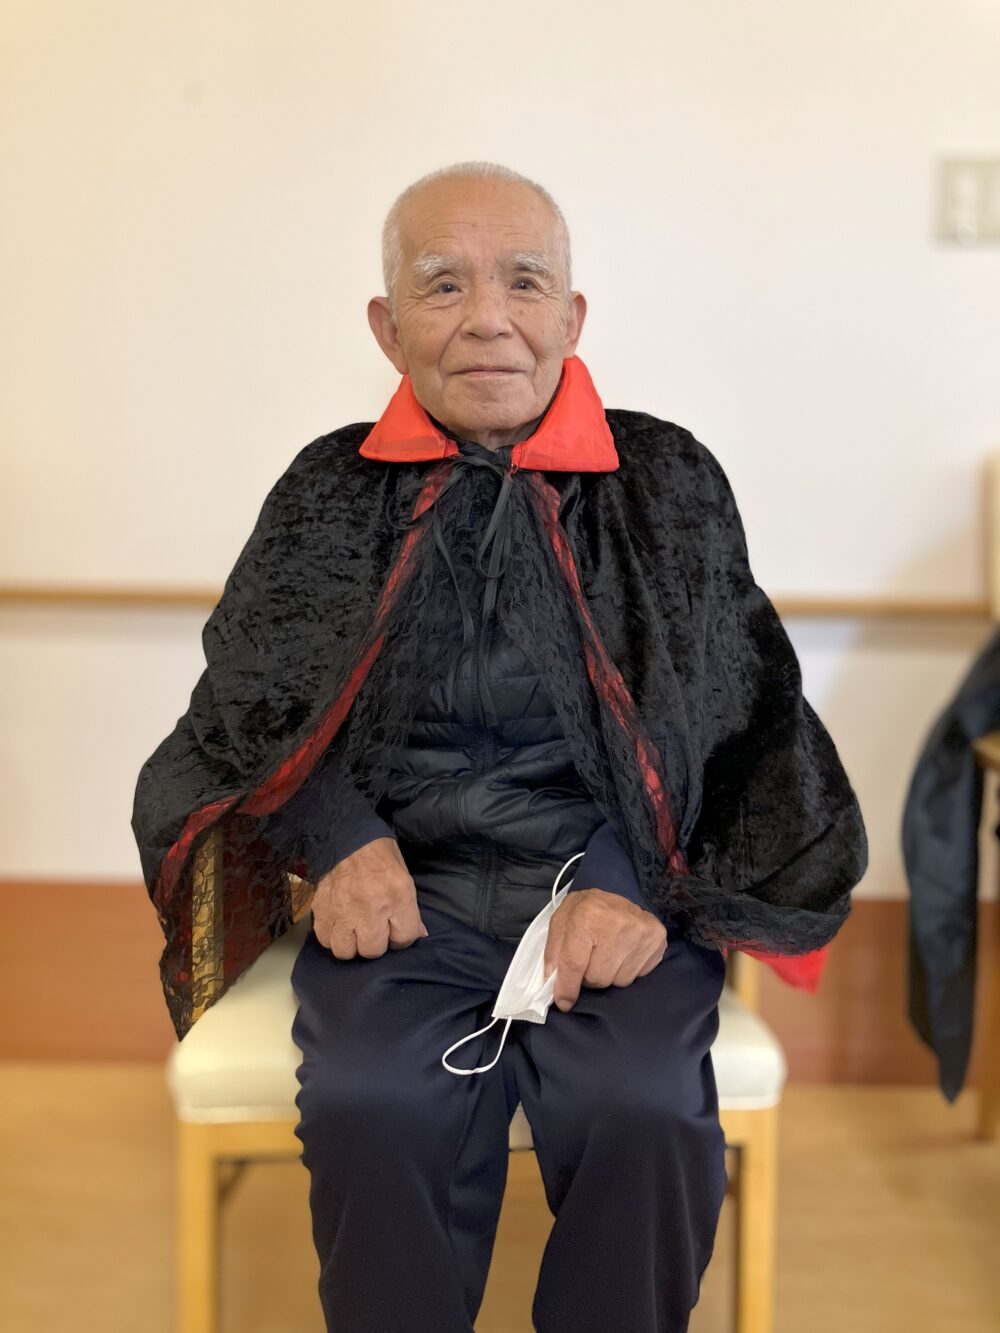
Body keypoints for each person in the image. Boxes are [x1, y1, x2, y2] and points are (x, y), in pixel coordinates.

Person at [131, 160, 868, 1332]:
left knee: (640, 1111)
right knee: (376, 1106)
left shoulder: (663, 481)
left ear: (571, 316)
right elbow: (249, 714)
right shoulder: (328, 491)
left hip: (614, 893)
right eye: (442, 285)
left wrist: (631, 884)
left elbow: (730, 720)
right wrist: (338, 838)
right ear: (386, 328)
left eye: (523, 282)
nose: (487, 318)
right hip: (406, 903)